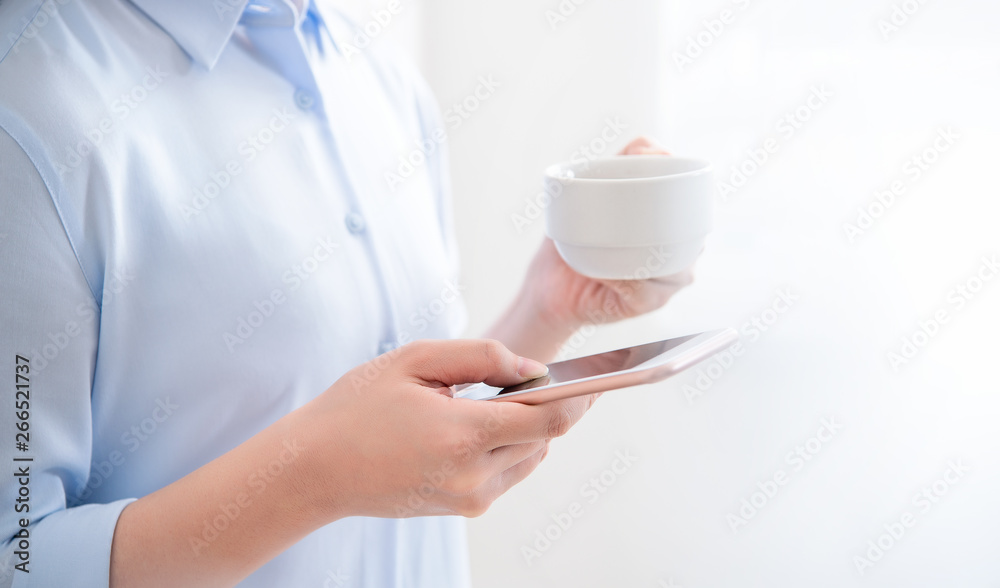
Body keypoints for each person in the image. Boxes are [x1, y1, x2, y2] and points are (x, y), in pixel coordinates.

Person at [0, 1, 693, 586]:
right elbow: (17, 557)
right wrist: (315, 475)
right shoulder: (28, 98)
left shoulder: (376, 74)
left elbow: (416, 416)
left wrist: (550, 307)